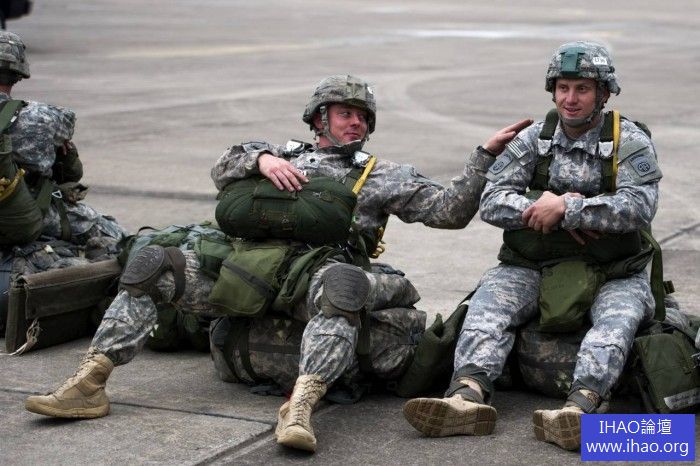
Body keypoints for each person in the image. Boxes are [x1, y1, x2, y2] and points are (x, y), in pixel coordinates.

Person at [25, 74, 530, 453]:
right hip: (246, 272)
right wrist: (262, 161)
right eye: (345, 113)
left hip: (318, 278)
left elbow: (449, 213)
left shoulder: (383, 175)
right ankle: (89, 383)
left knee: (343, 286)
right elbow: (222, 166)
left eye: (363, 117)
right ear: (318, 119)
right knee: (153, 263)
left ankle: (300, 406)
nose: (356, 122)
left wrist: (483, 156)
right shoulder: (274, 155)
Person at [402, 42, 661, 451]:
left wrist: (568, 208)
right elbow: (492, 201)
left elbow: (639, 206)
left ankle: (581, 407)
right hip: (530, 265)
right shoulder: (533, 139)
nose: (570, 99)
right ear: (552, 90)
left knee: (615, 324)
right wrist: (541, 207)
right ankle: (466, 397)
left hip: (614, 271)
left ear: (603, 93)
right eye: (562, 88)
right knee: (488, 309)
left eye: (582, 89)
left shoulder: (628, 140)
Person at [0, 31, 126, 249]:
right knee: (113, 234)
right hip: (22, 213)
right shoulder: (40, 117)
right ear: (18, 73)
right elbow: (67, 123)